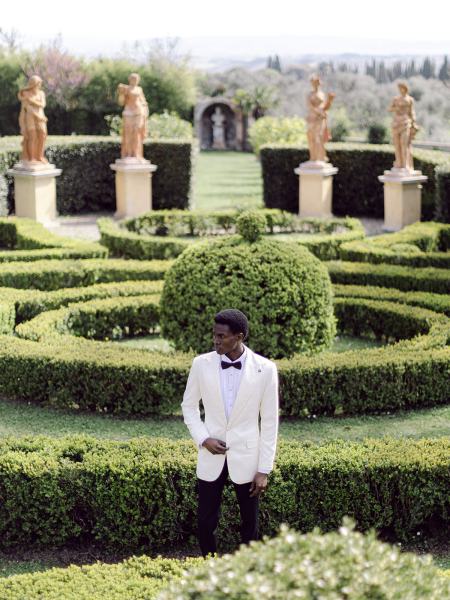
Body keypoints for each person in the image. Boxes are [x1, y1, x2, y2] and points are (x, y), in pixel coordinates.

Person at [181, 308, 279, 556]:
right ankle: (209, 566)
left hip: (247, 457)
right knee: (205, 522)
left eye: (222, 336)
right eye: (214, 335)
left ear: (239, 336)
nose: (216, 340)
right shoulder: (200, 364)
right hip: (210, 456)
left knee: (250, 524)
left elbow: (269, 422)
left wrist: (264, 469)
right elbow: (188, 407)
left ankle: (245, 573)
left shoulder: (266, 369)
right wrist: (204, 439)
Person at [117, 73, 149, 161]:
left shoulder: (139, 89)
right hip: (129, 112)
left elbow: (143, 102)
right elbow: (121, 102)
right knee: (128, 133)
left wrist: (145, 112)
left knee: (137, 132)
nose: (134, 81)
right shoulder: (126, 89)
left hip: (139, 112)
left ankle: (136, 154)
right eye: (132, 79)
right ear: (129, 80)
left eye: (136, 79)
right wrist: (121, 93)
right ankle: (128, 153)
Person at [388, 82, 419, 171]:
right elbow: (389, 109)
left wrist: (414, 123)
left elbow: (412, 112)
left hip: (406, 122)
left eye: (402, 88)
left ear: (405, 89)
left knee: (404, 143)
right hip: (396, 123)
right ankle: (399, 162)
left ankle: (405, 164)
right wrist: (396, 109)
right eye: (399, 88)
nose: (401, 90)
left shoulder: (410, 99)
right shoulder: (396, 99)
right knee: (397, 144)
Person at [18, 75, 48, 163]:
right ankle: (32, 158)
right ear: (33, 84)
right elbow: (24, 109)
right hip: (30, 118)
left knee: (43, 135)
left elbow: (43, 104)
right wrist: (22, 125)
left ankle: (40, 156)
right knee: (32, 137)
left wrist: (31, 101)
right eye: (38, 83)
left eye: (40, 83)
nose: (40, 85)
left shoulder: (41, 93)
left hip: (41, 117)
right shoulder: (26, 94)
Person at [306, 74, 335, 162]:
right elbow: (309, 106)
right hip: (312, 118)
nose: (315, 84)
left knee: (319, 137)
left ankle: (320, 157)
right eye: (313, 82)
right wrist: (319, 111)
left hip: (320, 119)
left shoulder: (322, 94)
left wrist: (330, 101)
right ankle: (313, 157)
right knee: (311, 137)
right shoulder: (309, 94)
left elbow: (325, 107)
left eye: (316, 82)